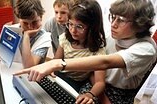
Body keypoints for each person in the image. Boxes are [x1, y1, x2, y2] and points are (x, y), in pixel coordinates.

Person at [14, 0, 157, 104]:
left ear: (140, 23)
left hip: (116, 93)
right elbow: (94, 72)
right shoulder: (113, 36)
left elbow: (104, 62)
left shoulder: (147, 48)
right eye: (112, 17)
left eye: (121, 20)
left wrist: (57, 63)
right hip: (93, 82)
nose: (113, 24)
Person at [52, 0, 106, 103]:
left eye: (79, 26)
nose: (73, 30)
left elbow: (100, 82)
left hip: (77, 82)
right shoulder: (65, 39)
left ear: (92, 28)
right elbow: (55, 61)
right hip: (60, 76)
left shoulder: (97, 50)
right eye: (70, 24)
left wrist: (90, 94)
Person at [13, 0, 51, 68]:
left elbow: (29, 67)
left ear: (41, 17)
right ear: (19, 20)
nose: (30, 27)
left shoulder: (45, 38)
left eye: (34, 22)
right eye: (25, 23)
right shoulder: (13, 30)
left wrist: (26, 36)